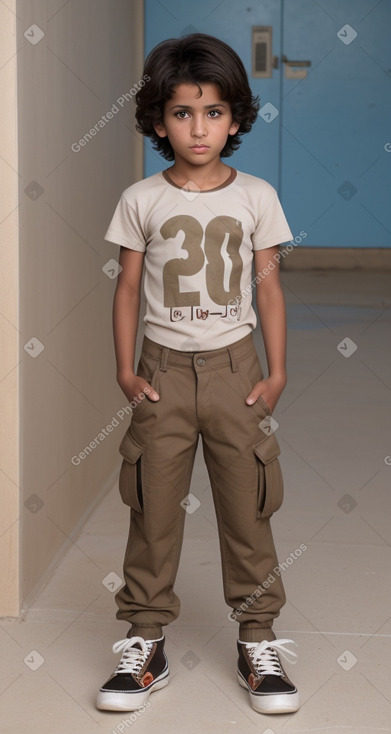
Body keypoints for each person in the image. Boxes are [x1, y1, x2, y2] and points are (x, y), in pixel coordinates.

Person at [96, 33, 299, 716]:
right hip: (161, 373)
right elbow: (126, 290)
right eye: (182, 113)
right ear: (157, 121)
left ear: (236, 117)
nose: (198, 127)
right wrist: (125, 372)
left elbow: (267, 290)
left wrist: (274, 375)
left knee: (249, 506)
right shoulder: (140, 199)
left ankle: (258, 638)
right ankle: (144, 639)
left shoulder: (257, 197)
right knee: (151, 509)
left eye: (213, 112)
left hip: (235, 372)